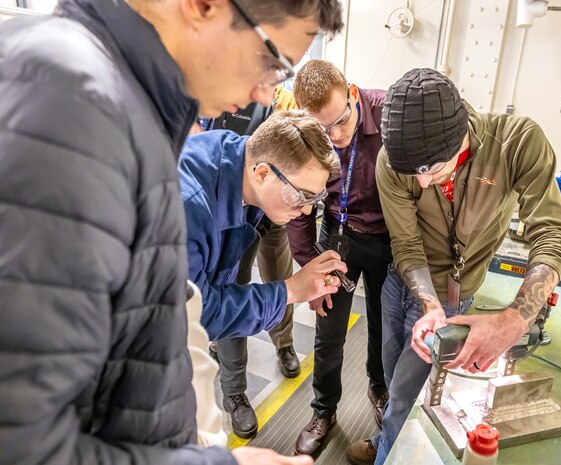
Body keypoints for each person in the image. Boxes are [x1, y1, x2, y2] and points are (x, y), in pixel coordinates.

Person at [0, 0, 342, 464]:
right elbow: (26, 443)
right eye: (271, 61)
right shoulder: (75, 111)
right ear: (203, 6)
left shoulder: (127, 109)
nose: (265, 95)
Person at [346, 68, 561, 465]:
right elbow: (405, 242)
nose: (422, 184)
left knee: (406, 391)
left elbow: (553, 237)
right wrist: (429, 305)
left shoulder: (519, 144)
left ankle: (388, 451)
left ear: (461, 136)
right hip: (401, 284)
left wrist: (513, 320)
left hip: (456, 295)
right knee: (389, 376)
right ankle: (388, 436)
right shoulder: (393, 161)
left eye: (431, 170)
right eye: (412, 174)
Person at [286, 60, 393, 458]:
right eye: (323, 130)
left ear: (352, 92)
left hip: (387, 237)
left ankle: (379, 388)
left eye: (341, 122)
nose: (336, 136)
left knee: (386, 325)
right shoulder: (303, 133)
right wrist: (307, 264)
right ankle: (322, 411)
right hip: (337, 234)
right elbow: (298, 207)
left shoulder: (390, 114)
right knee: (328, 329)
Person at [198, 87, 302, 440]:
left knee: (281, 280)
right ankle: (234, 392)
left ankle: (284, 344)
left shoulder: (272, 99)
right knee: (229, 298)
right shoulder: (204, 99)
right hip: (226, 215)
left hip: (270, 211)